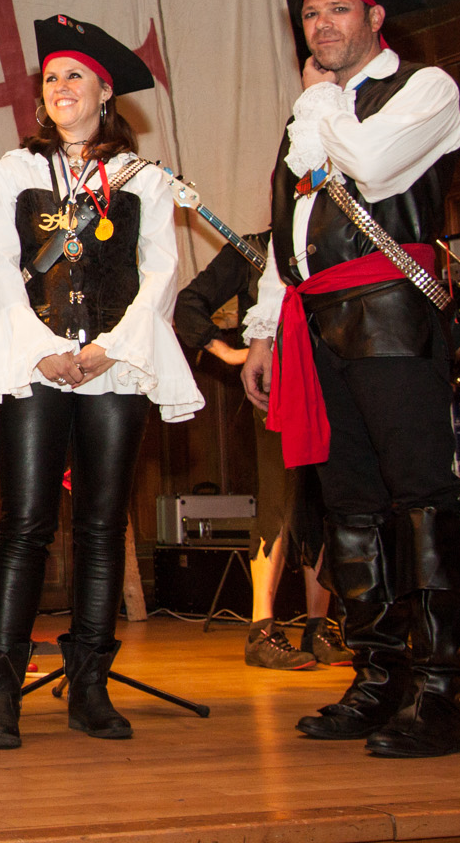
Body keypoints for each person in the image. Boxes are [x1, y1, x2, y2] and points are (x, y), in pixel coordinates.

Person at [239, 0, 460, 759]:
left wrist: (317, 102)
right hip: (313, 321)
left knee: (420, 494)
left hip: (388, 312)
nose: (321, 25)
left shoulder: (424, 88)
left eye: (338, 10)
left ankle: (439, 692)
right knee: (349, 505)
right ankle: (379, 676)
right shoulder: (309, 115)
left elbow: (373, 166)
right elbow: (289, 231)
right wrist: (265, 328)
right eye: (311, 14)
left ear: (376, 18)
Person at [0, 14, 204, 749]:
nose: (61, 87)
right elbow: (0, 268)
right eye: (51, 78)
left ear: (105, 92)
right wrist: (43, 351)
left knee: (103, 526)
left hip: (115, 364)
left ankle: (91, 687)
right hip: (34, 362)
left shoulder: (143, 179)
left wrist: (110, 348)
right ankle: (1, 690)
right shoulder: (14, 171)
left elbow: (160, 272)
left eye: (75, 76)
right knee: (26, 526)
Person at [174, 232, 346, 669]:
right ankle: (262, 630)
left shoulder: (330, 234)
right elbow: (188, 305)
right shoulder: (252, 247)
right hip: (277, 387)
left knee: (325, 502)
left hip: (334, 380)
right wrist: (229, 352)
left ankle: (319, 627)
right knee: (278, 502)